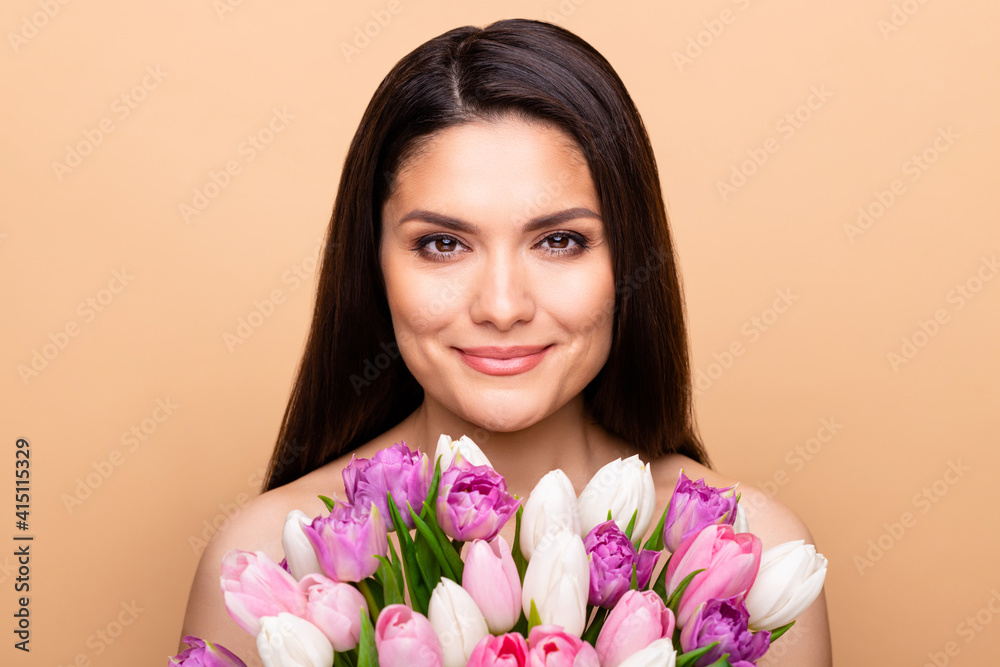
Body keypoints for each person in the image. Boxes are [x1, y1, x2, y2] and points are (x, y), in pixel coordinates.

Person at [179, 18, 832, 665]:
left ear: (631, 258)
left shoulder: (750, 557)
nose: (501, 306)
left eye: (559, 241)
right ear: (373, 264)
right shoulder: (264, 563)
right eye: (442, 243)